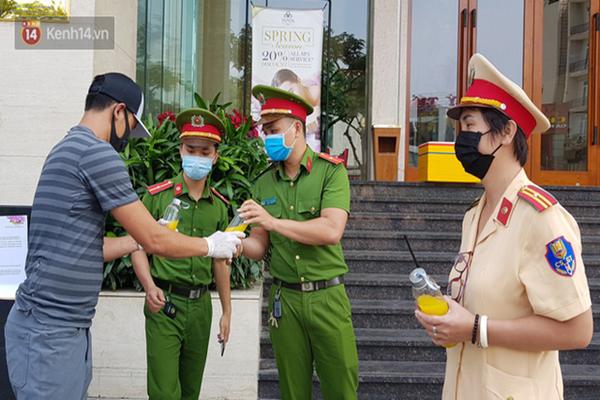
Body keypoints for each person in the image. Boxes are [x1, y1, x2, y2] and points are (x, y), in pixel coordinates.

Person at [4, 73, 243, 400]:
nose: (127, 139)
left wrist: (137, 239)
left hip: (52, 327)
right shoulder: (97, 154)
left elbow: (92, 245)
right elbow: (156, 241)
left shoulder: (65, 148)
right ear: (119, 111)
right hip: (52, 331)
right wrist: (211, 245)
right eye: (131, 127)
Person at [415, 54, 593, 400]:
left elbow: (577, 330)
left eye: (470, 126)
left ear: (508, 132)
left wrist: (475, 328)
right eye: (460, 128)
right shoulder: (474, 214)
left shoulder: (541, 218)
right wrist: (450, 320)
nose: (462, 139)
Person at [239, 85, 358, 399]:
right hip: (285, 300)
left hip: (327, 296)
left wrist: (273, 222)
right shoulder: (263, 182)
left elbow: (331, 230)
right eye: (265, 132)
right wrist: (236, 246)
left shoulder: (330, 172)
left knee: (341, 388)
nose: (267, 138)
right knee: (292, 391)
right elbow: (259, 245)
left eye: (274, 130)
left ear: (296, 128)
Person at [131, 108, 232, 400]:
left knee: (190, 391)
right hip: (164, 303)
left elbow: (221, 261)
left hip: (201, 307)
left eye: (205, 151)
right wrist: (149, 286)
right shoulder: (157, 196)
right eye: (191, 149)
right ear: (180, 150)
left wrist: (227, 311)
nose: (197, 156)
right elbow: (136, 247)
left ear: (215, 156)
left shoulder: (219, 206)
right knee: (164, 392)